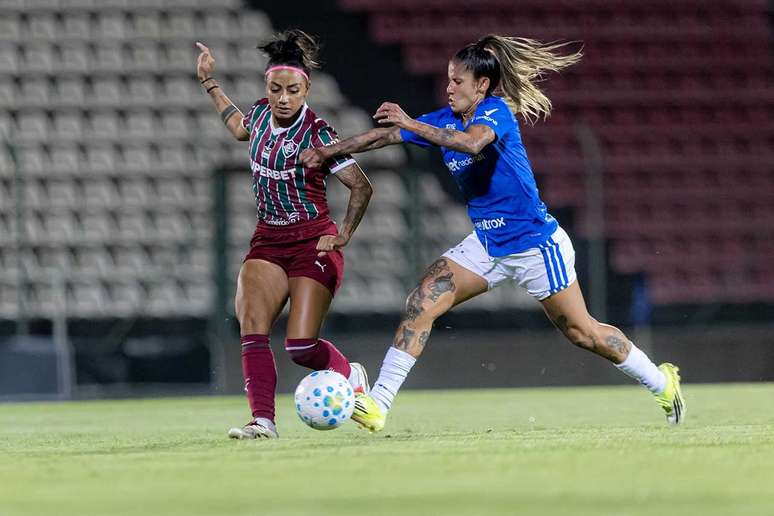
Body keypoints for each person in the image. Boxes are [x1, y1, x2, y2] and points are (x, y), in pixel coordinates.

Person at [300, 35, 685, 432]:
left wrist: (411, 122)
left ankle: (661, 382)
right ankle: (378, 404)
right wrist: (329, 151)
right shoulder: (442, 120)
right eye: (448, 80)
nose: (449, 88)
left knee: (582, 333)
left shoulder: (495, 112)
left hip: (534, 245)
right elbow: (385, 135)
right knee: (421, 302)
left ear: (481, 85)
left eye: (458, 81)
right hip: (486, 244)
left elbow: (472, 144)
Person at [196, 30, 373, 439]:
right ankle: (263, 421)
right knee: (252, 325)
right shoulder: (259, 116)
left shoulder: (319, 134)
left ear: (306, 89)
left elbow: (361, 186)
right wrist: (209, 82)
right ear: (266, 87)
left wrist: (344, 234)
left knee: (300, 347)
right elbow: (238, 127)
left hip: (313, 242)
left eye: (293, 90)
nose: (283, 98)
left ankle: (350, 375)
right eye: (275, 89)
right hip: (268, 241)